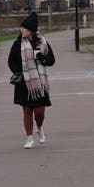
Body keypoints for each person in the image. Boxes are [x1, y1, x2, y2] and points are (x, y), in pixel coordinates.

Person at [7, 11, 56, 149]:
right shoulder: (17, 44)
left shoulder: (42, 43)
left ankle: (39, 128)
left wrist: (42, 58)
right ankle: (29, 138)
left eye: (25, 28)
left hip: (40, 83)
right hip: (24, 83)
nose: (22, 30)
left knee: (39, 112)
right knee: (27, 110)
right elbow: (11, 61)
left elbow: (51, 60)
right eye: (22, 28)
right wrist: (18, 72)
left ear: (32, 31)